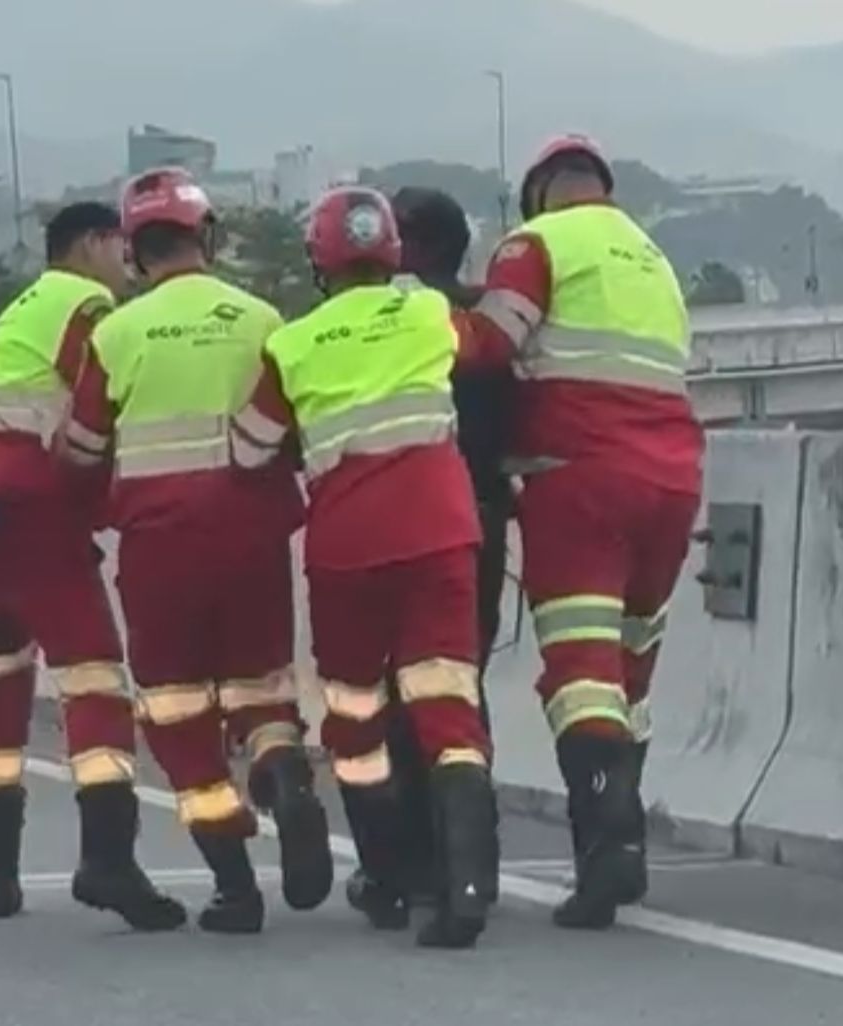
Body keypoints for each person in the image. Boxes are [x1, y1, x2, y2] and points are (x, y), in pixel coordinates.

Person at [62, 168, 333, 934]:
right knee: (262, 692)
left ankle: (237, 890)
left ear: (137, 251)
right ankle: (282, 774)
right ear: (205, 237)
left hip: (157, 550)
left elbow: (81, 450)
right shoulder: (260, 319)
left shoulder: (114, 333)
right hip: (253, 538)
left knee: (178, 715)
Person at [230, 186, 499, 950]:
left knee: (354, 717)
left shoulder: (292, 344)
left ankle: (386, 877)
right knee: (448, 705)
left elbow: (250, 448)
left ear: (318, 262)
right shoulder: (424, 314)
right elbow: (485, 346)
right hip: (443, 532)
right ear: (390, 251)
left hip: (348, 548)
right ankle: (467, 888)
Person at [454, 135, 704, 930]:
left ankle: (610, 844)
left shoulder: (537, 244)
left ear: (540, 195)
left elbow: (488, 344)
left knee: (581, 669)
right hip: (673, 479)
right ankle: (621, 827)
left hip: (579, 474)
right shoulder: (651, 257)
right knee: (630, 664)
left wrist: (422, 313)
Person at [0, 202, 185, 931]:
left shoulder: (25, 306)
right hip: (32, 507)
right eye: (120, 245)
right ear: (89, 244)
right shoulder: (87, 302)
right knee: (96, 680)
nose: (127, 262)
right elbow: (96, 409)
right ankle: (107, 860)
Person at [340, 187, 511, 909]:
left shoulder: (374, 324)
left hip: (378, 531)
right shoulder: (477, 325)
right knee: (453, 689)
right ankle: (465, 867)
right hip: (474, 525)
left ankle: (393, 867)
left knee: (377, 700)